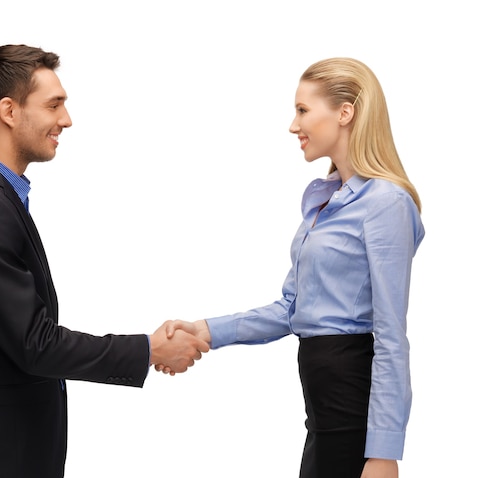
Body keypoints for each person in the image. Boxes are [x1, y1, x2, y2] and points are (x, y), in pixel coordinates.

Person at [0, 44, 209, 478]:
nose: (66, 120)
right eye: (54, 105)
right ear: (9, 111)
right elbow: (35, 343)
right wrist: (147, 349)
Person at [158, 57, 424, 478]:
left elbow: (392, 335)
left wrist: (384, 452)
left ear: (345, 112)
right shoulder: (326, 201)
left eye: (303, 110)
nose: (293, 125)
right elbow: (292, 308)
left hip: (350, 409)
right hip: (321, 413)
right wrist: (206, 330)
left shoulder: (385, 204)